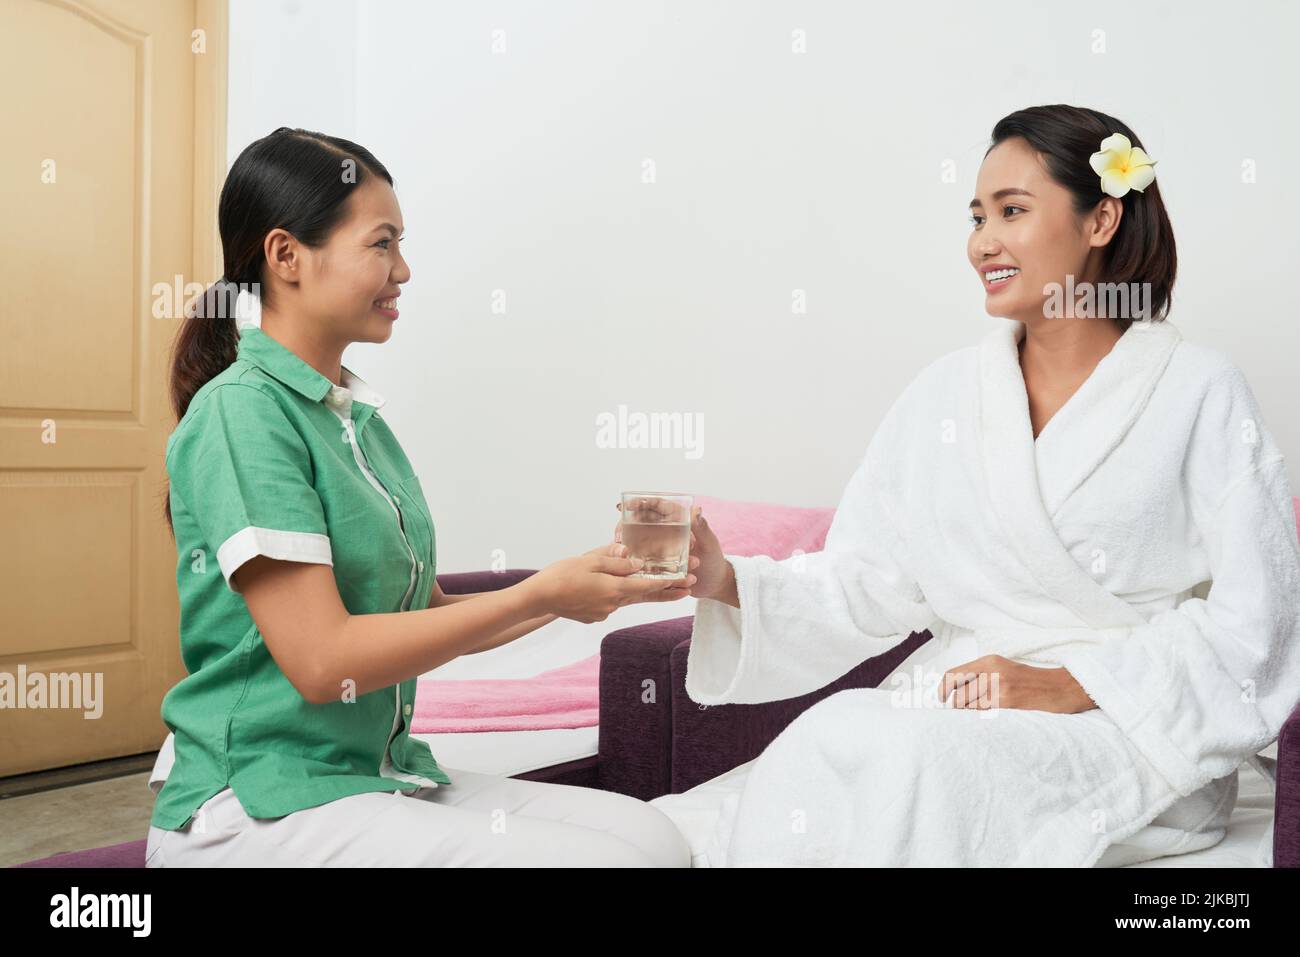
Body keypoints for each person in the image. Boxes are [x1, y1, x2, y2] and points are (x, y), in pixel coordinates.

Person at [676, 105, 1300, 867]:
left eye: (1012, 211)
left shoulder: (1200, 389)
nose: (983, 242)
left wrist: (1069, 682)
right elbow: (866, 579)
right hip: (958, 702)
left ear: (1101, 218)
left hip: (1129, 723)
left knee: (920, 766)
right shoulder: (945, 396)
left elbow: (1256, 623)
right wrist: (727, 580)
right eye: (977, 216)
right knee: (828, 735)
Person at [146, 127, 695, 867]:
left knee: (652, 839)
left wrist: (563, 590)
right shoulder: (241, 412)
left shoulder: (357, 423)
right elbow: (321, 659)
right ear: (286, 256)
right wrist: (541, 595)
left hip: (370, 775)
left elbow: (425, 614)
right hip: (257, 805)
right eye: (382, 243)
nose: (402, 269)